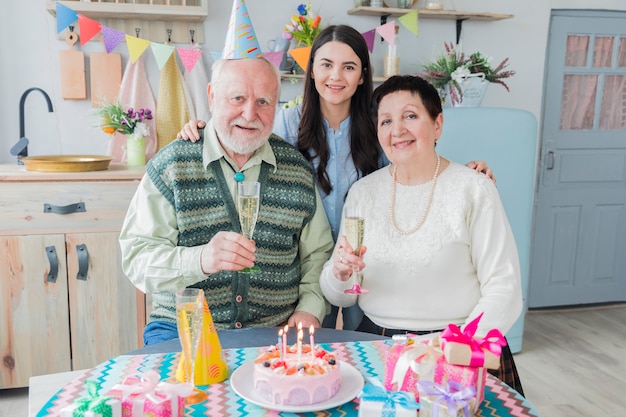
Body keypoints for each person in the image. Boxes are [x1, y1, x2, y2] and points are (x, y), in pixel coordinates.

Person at [177, 25, 495, 330]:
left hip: (365, 263)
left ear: (361, 76)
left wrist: (462, 174)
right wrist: (205, 130)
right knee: (314, 348)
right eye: (326, 64)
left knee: (362, 341)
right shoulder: (286, 123)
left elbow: (417, 165)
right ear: (311, 69)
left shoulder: (381, 128)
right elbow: (243, 139)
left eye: (348, 67)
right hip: (305, 265)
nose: (335, 76)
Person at [319, 75, 524, 394]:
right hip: (377, 348)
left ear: (437, 124)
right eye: (386, 120)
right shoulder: (363, 193)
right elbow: (340, 296)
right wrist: (340, 273)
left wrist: (455, 351)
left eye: (410, 116)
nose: (397, 130)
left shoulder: (474, 188)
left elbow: (504, 288)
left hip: (457, 349)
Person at [119, 57, 334, 345]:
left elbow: (318, 255)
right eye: (238, 98)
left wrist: (310, 309)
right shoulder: (172, 165)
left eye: (263, 102)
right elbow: (137, 258)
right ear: (211, 96)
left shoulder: (297, 171)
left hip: (275, 331)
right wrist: (201, 260)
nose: (249, 113)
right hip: (182, 329)